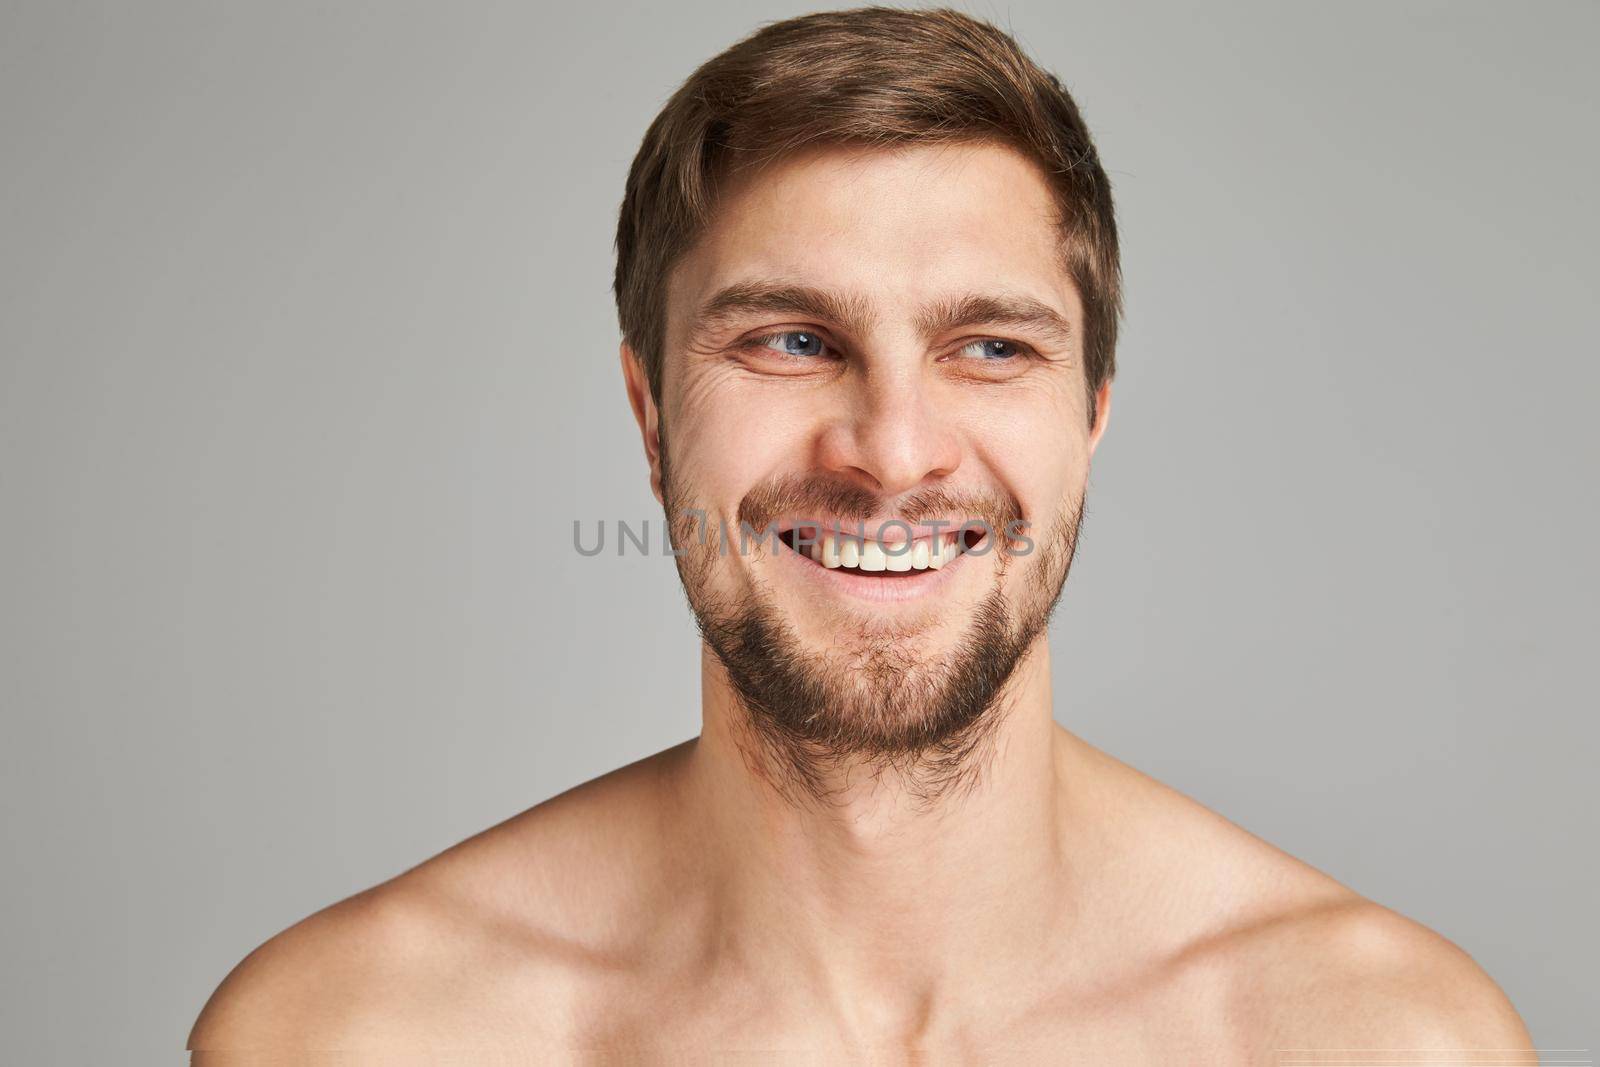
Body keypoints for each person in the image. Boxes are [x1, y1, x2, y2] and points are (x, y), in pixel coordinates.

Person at [190, 8, 1531, 1059]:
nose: (893, 449)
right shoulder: (356, 1037)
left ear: (1092, 422)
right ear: (651, 417)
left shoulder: (1375, 1041)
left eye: (990, 347)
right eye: (792, 340)